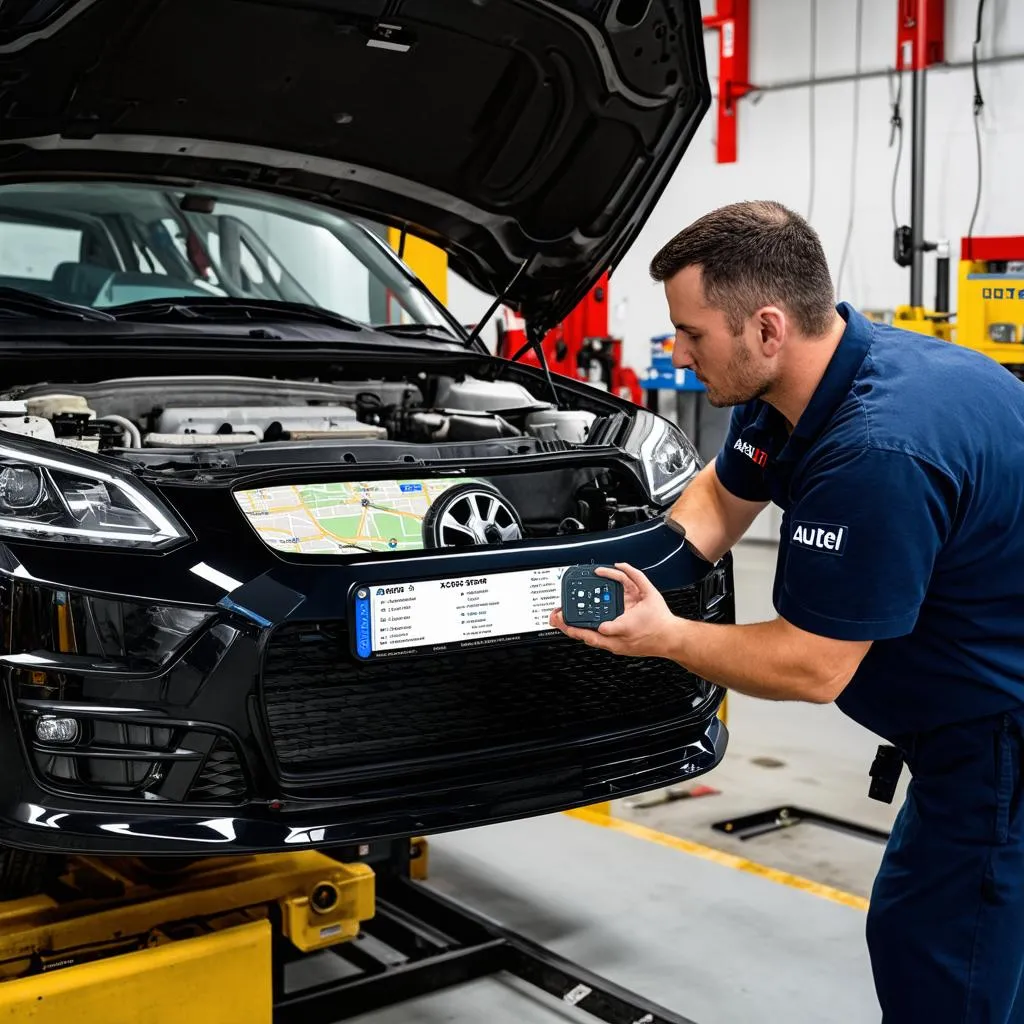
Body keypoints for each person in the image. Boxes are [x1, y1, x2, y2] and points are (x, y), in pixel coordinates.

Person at [550, 200, 1024, 1022]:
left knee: (949, 958)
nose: (678, 350)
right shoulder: (798, 389)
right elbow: (717, 503)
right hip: (976, 710)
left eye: (692, 332)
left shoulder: (875, 451)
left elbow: (812, 664)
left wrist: (665, 636)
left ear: (767, 328)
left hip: (998, 740)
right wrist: (616, 568)